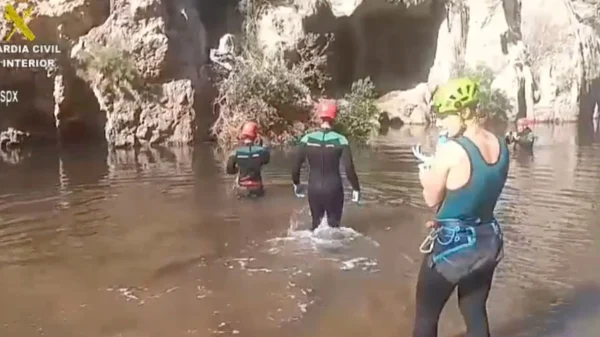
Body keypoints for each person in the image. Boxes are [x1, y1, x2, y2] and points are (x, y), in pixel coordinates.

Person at [412, 78, 509, 337]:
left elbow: (431, 199)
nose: (440, 122)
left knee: (426, 316)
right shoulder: (501, 145)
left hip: (453, 245)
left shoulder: (452, 151)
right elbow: (475, 193)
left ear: (465, 113)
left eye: (445, 116)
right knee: (475, 311)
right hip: (488, 239)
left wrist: (425, 178)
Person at [291, 100, 361, 230]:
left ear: (319, 117)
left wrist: (296, 184)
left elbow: (295, 167)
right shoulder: (341, 140)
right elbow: (349, 169)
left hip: (314, 188)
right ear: (335, 117)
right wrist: (356, 189)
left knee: (316, 227)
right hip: (334, 188)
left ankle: (314, 250)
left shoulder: (307, 139)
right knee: (334, 228)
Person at [226, 121, 270, 198]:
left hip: (242, 187)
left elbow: (229, 170)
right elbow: (266, 160)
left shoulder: (236, 152)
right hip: (257, 187)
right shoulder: (262, 151)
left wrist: (237, 169)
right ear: (256, 136)